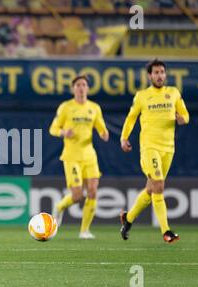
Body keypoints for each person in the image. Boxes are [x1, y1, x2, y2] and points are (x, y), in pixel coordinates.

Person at [119, 59, 189, 243]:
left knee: (151, 189)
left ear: (165, 75)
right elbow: (131, 118)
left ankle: (128, 218)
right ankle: (166, 231)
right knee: (159, 186)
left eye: (162, 72)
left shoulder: (173, 93)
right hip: (149, 148)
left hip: (168, 149)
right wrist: (124, 137)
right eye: (156, 72)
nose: (159, 76)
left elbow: (186, 115)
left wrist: (182, 119)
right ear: (149, 76)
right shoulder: (142, 96)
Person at [49, 75, 109, 239]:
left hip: (90, 155)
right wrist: (63, 132)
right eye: (78, 85)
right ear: (73, 88)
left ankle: (84, 231)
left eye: (84, 85)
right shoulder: (66, 107)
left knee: (92, 192)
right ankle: (60, 207)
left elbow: (101, 127)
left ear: (88, 88)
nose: (81, 88)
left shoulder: (94, 108)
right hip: (72, 156)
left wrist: (104, 134)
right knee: (77, 195)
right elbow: (53, 128)